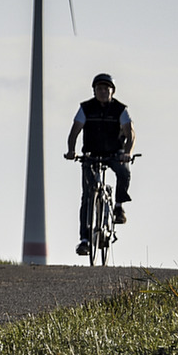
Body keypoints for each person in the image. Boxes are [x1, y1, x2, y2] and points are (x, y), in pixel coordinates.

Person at [65, 73, 136, 256]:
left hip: (115, 153)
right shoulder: (85, 108)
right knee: (87, 195)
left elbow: (131, 134)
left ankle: (118, 207)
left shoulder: (120, 109)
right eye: (99, 89)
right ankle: (85, 240)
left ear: (112, 91)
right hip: (91, 154)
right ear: (94, 91)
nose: (103, 91)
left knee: (123, 172)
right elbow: (74, 132)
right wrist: (72, 151)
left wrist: (127, 152)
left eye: (106, 88)